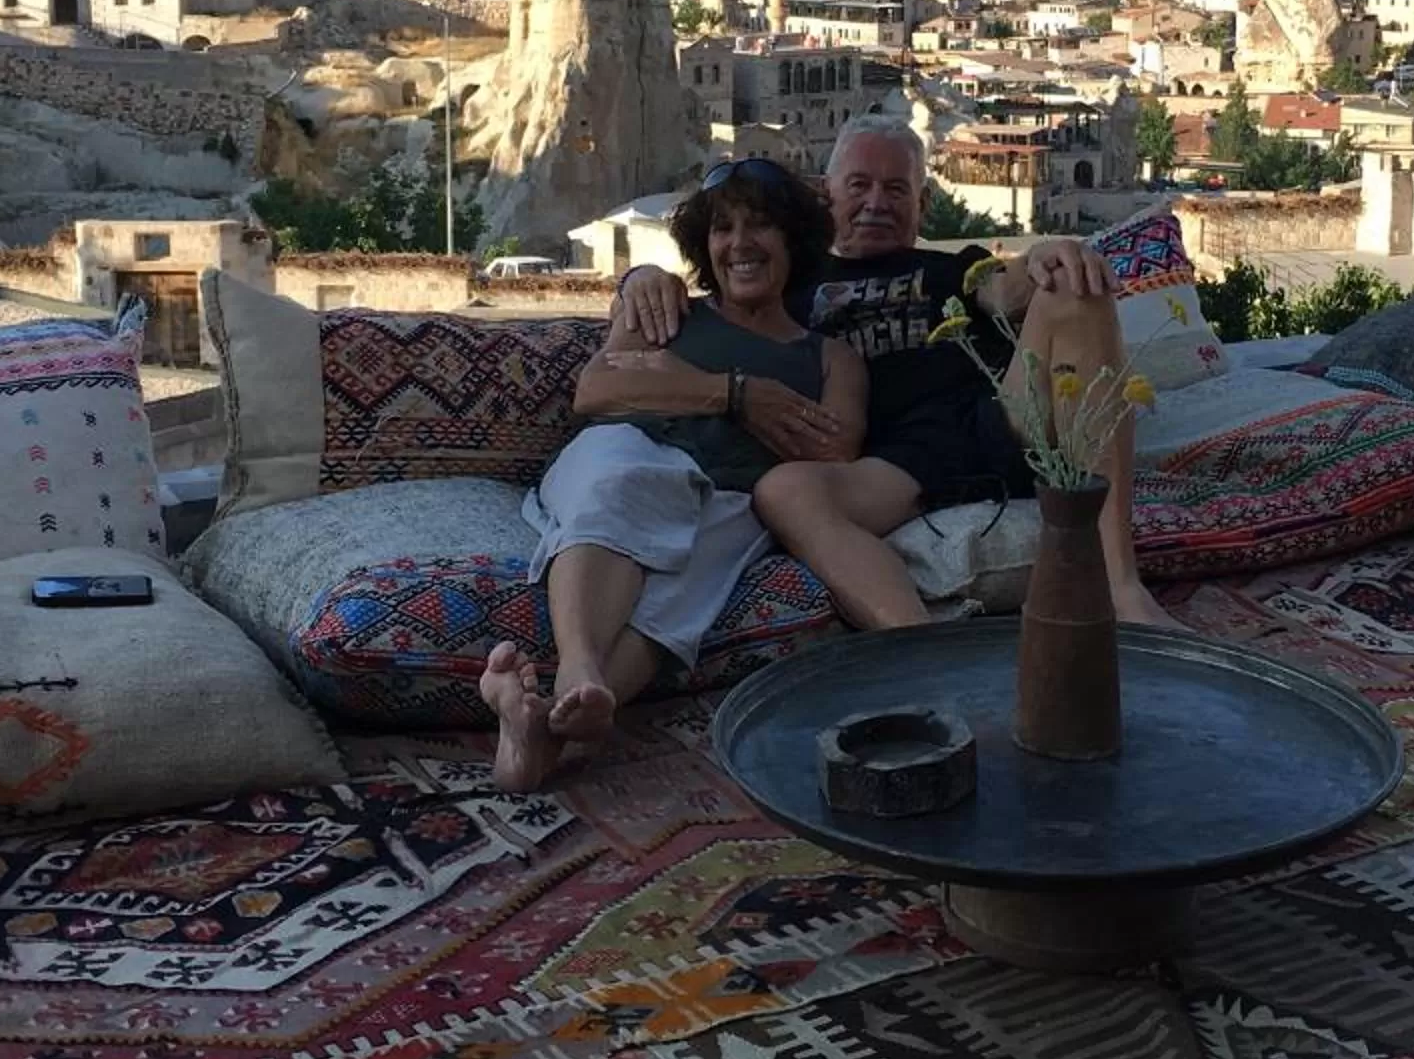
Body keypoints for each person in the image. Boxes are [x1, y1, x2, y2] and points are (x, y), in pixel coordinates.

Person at [614, 115, 1164, 635]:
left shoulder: (954, 267)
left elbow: (1005, 287)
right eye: (859, 185)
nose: (876, 203)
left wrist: (1047, 257)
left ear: (922, 204)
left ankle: (1120, 587)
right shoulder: (791, 282)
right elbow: (719, 306)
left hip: (1003, 423)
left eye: (896, 189)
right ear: (826, 195)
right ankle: (914, 648)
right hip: (890, 465)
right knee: (783, 490)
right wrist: (640, 278)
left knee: (1073, 286)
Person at [482, 157, 864, 790]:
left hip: (728, 498)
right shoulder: (668, 309)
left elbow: (838, 446)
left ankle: (538, 736)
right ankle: (579, 670)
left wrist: (678, 385)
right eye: (722, 229)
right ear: (702, 245)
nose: (739, 244)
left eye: (760, 226)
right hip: (625, 450)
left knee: (682, 605)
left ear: (794, 239)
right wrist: (734, 395)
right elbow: (598, 390)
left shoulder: (831, 357)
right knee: (632, 486)